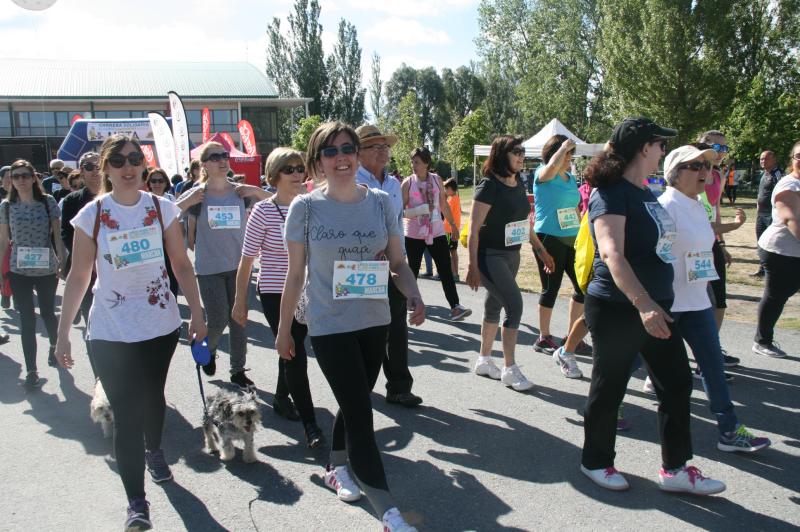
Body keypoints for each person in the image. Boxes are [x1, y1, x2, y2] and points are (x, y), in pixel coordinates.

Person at [53, 134, 206, 532]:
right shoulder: (93, 214)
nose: (127, 166)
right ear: (105, 168)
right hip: (110, 329)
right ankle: (137, 503)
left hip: (159, 325)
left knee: (153, 397)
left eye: (135, 158)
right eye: (118, 160)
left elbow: (181, 264)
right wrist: (63, 332)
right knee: (125, 413)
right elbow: (79, 276)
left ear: (143, 163)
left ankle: (154, 449)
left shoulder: (162, 208)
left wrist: (199, 313)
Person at [277, 122, 424, 532]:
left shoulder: (380, 202)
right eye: (330, 151)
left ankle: (336, 465)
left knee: (354, 399)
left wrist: (412, 293)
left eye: (348, 149)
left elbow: (398, 262)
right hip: (328, 324)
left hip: (375, 320)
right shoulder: (304, 208)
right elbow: (294, 274)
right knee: (361, 413)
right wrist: (284, 330)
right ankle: (390, 513)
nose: (341, 157)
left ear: (357, 155)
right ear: (318, 160)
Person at [580, 117, 725, 495]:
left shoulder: (646, 192)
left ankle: (675, 469)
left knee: (676, 383)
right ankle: (595, 461)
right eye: (660, 144)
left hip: (656, 306)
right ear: (645, 147)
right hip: (618, 306)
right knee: (609, 386)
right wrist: (643, 303)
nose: (663, 150)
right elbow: (613, 253)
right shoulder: (610, 192)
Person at [659, 145, 770, 452]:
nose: (704, 172)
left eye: (705, 166)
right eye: (695, 166)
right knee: (632, 360)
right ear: (676, 173)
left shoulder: (697, 204)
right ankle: (608, 405)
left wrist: (726, 238)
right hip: (668, 304)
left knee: (712, 367)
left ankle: (730, 431)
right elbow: (653, 252)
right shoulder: (665, 206)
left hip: (697, 302)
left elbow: (704, 234)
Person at [231, 147, 325, 446]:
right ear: (274, 176)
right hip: (274, 291)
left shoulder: (311, 207)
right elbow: (246, 260)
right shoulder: (263, 211)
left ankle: (283, 397)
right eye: (289, 169)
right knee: (295, 353)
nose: (297, 174)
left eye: (300, 168)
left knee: (291, 348)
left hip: (308, 290)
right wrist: (240, 300)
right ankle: (311, 426)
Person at [467, 135, 553, 391]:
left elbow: (522, 224)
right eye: (516, 152)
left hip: (512, 255)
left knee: (493, 305)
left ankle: (484, 360)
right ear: (501, 154)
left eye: (523, 152)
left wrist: (541, 250)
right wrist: (472, 266)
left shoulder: (517, 183)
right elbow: (472, 229)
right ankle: (510, 368)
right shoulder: (488, 186)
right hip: (490, 256)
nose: (521, 156)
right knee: (514, 306)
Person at [181, 142, 260, 389]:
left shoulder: (240, 192)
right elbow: (166, 213)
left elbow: (279, 199)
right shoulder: (198, 195)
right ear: (204, 164)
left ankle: (237, 370)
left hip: (240, 267)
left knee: (239, 319)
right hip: (209, 269)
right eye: (215, 157)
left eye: (225, 155)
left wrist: (256, 189)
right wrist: (189, 201)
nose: (222, 160)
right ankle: (209, 348)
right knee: (217, 319)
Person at [355, 124, 423, 407]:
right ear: (359, 152)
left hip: (393, 264)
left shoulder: (394, 184)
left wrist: (401, 261)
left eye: (386, 146)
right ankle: (359, 384)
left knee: (396, 326)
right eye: (375, 146)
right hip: (360, 268)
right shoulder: (352, 181)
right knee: (363, 330)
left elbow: (396, 224)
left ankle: (398, 386)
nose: (384, 151)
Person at [0, 159, 64, 386]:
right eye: (15, 176)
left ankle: (55, 347)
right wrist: (1, 271)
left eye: (25, 175)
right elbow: (3, 240)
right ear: (10, 180)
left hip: (46, 268)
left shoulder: (47, 202)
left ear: (33, 177)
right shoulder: (6, 206)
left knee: (48, 313)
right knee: (26, 319)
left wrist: (63, 261)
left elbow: (57, 235)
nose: (20, 180)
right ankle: (31, 371)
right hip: (19, 270)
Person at [531, 135, 589, 356]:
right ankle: (543, 337)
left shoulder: (569, 178)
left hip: (571, 238)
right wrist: (564, 146)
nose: (569, 158)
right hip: (548, 238)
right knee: (551, 288)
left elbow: (574, 207)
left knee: (582, 287)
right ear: (556, 152)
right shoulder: (542, 172)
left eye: (571, 155)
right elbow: (550, 167)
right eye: (567, 154)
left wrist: (582, 232)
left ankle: (571, 336)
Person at [402, 146, 471, 321]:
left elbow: (443, 205)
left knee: (445, 269)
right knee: (412, 271)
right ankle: (408, 305)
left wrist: (454, 226)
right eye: (412, 161)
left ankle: (455, 307)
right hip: (414, 234)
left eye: (417, 162)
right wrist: (418, 210)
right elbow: (400, 211)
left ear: (426, 163)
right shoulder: (407, 183)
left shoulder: (436, 180)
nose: (413, 165)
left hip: (437, 232)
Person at [695, 131, 740, 367]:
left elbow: (716, 210)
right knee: (693, 301)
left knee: (719, 301)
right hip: (693, 243)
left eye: (725, 148)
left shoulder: (718, 175)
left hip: (711, 241)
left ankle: (712, 348)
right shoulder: (692, 171)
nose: (723, 153)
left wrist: (722, 243)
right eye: (718, 148)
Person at [752, 141, 800, 358]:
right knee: (776, 296)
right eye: (799, 156)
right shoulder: (788, 186)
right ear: (792, 160)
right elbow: (792, 219)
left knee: (783, 294)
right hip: (779, 251)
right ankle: (762, 342)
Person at [60, 151, 103, 374]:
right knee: (93, 328)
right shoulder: (71, 201)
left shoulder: (120, 198)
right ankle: (100, 379)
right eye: (89, 167)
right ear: (81, 172)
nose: (95, 171)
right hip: (87, 278)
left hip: (119, 277)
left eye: (98, 165)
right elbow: (66, 234)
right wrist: (90, 259)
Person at [752, 150, 784, 277]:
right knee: (760, 242)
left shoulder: (778, 174)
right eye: (761, 159)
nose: (762, 161)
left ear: (774, 160)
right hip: (761, 215)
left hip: (772, 216)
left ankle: (772, 270)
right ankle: (762, 268)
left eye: (766, 159)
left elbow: (783, 194)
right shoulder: (764, 174)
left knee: (771, 243)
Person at [442, 177, 461, 281]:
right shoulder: (456, 198)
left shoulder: (451, 200)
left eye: (446, 188)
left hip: (449, 230)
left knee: (447, 252)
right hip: (454, 229)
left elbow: (444, 210)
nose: (445, 191)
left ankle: (452, 274)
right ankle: (456, 273)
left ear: (450, 189)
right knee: (453, 251)